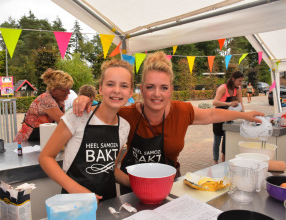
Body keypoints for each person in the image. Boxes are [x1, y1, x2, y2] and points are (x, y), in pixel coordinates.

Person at [73, 51, 264, 194]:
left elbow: (211, 115)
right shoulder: (125, 114)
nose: (157, 94)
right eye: (150, 87)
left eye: (163, 88)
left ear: (171, 89)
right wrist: (84, 101)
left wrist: (242, 116)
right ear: (140, 90)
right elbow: (102, 110)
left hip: (169, 185)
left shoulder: (182, 111)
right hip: (132, 188)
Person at [39, 59, 134, 202]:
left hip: (108, 203)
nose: (116, 90)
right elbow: (46, 158)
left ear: (130, 92)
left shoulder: (124, 127)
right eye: (110, 84)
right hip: (75, 203)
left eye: (124, 85)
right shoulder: (77, 116)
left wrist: (135, 183)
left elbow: (110, 169)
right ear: (100, 89)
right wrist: (77, 191)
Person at [14, 68, 74, 142]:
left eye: (69, 89)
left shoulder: (59, 100)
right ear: (53, 90)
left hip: (39, 136)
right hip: (27, 140)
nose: (68, 93)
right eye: (65, 90)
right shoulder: (46, 100)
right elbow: (64, 122)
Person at [212, 71, 245, 164]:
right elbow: (214, 102)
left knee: (226, 141)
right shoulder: (223, 88)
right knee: (217, 141)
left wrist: (242, 113)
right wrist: (229, 103)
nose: (240, 83)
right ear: (233, 79)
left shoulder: (238, 90)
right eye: (239, 81)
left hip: (228, 117)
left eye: (242, 81)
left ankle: (224, 161)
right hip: (218, 115)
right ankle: (215, 162)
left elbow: (241, 105)